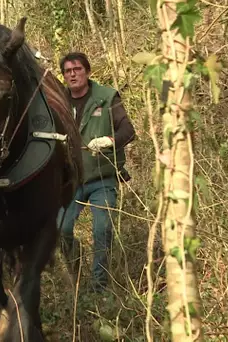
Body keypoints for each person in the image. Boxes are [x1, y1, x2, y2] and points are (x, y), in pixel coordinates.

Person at [57, 52, 136, 292]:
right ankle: (76, 268)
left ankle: (99, 286)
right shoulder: (58, 100)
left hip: (103, 177)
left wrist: (109, 140)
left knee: (102, 230)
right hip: (72, 180)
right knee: (61, 230)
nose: (73, 74)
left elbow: (128, 130)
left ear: (87, 72)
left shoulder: (107, 96)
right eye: (68, 71)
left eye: (78, 69)